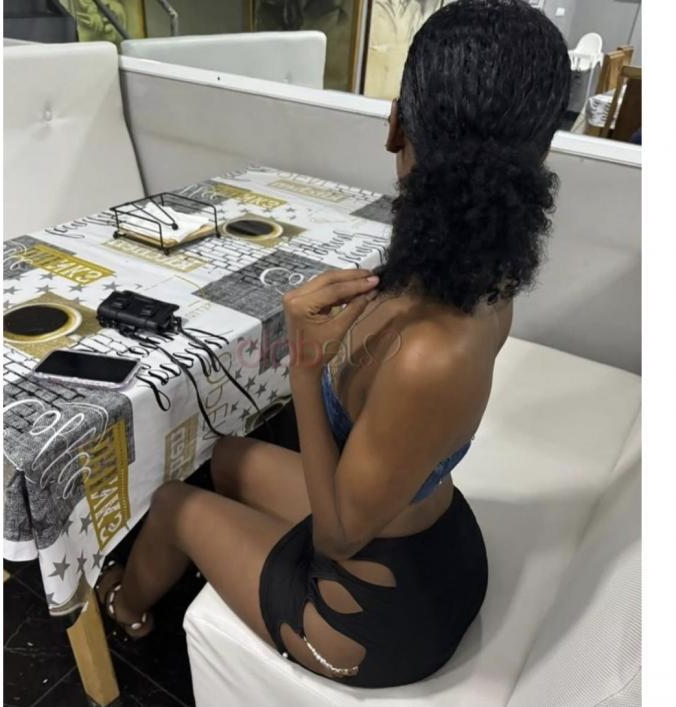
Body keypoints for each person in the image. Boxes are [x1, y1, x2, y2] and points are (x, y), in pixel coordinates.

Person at [95, 0, 571, 688]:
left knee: (173, 504)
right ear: (540, 151)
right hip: (425, 531)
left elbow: (338, 536)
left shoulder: (432, 353)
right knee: (224, 456)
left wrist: (304, 366)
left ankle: (126, 609)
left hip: (378, 611)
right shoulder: (479, 276)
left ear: (396, 124)